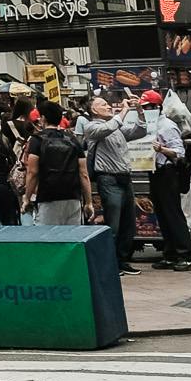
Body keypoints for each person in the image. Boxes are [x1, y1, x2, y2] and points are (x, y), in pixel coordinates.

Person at [79, 96, 139, 272]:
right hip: (108, 180)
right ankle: (109, 263)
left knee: (129, 223)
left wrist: (140, 111)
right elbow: (108, 128)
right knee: (113, 224)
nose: (108, 106)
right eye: (103, 104)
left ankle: (122, 260)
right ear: (94, 110)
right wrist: (124, 111)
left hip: (125, 178)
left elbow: (139, 131)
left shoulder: (116, 126)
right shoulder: (92, 127)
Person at [22, 99, 94, 228]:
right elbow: (83, 173)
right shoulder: (72, 139)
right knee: (72, 239)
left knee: (49, 239)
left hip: (48, 197)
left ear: (43, 118)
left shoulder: (37, 140)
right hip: (73, 197)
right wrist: (88, 202)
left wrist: (27, 198)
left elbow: (32, 172)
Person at [146, 98, 191, 268]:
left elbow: (179, 153)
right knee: (162, 214)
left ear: (156, 107)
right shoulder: (149, 125)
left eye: (147, 107)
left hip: (168, 173)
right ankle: (170, 254)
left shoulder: (167, 126)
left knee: (172, 213)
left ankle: (185, 255)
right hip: (154, 172)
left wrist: (161, 149)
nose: (145, 110)